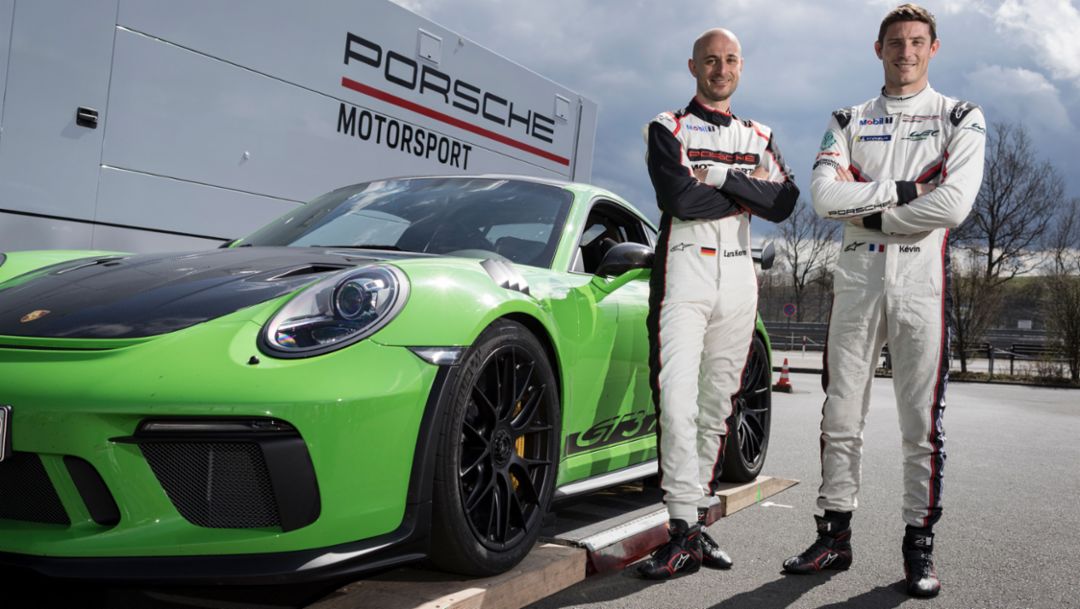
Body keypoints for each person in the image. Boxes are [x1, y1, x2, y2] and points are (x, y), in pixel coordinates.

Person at [782, 4, 986, 599]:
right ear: (878, 49)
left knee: (920, 424)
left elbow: (952, 207)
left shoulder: (961, 117)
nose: (906, 52)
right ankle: (833, 536)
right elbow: (822, 197)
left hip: (923, 283)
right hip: (857, 282)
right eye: (895, 42)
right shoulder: (848, 118)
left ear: (934, 48)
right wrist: (903, 197)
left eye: (917, 42)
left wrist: (867, 213)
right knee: (841, 415)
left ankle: (918, 547)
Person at [637, 27, 798, 580]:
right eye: (710, 60)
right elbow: (678, 197)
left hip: (740, 275)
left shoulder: (761, 133)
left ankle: (696, 524)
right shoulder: (667, 127)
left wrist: (723, 176)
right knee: (677, 402)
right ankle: (679, 527)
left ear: (741, 67)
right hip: (684, 270)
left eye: (729, 60)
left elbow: (786, 201)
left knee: (716, 405)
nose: (720, 68)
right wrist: (747, 188)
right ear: (693, 67)